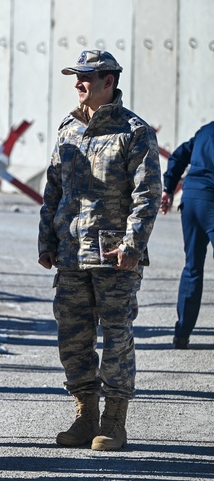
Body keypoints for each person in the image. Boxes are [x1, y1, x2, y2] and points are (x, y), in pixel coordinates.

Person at [37, 49, 160, 452]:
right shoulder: (67, 128)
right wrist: (46, 240)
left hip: (114, 257)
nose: (78, 84)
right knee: (73, 339)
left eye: (85, 77)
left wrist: (133, 245)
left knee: (116, 337)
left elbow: (147, 195)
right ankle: (85, 415)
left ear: (109, 81)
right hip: (71, 255)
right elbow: (53, 189)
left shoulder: (134, 131)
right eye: (75, 77)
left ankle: (114, 420)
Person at [162, 121, 214, 349]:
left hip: (191, 200)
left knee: (192, 267)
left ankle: (182, 333)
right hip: (210, 201)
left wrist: (168, 188)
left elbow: (177, 156)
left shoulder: (206, 130)